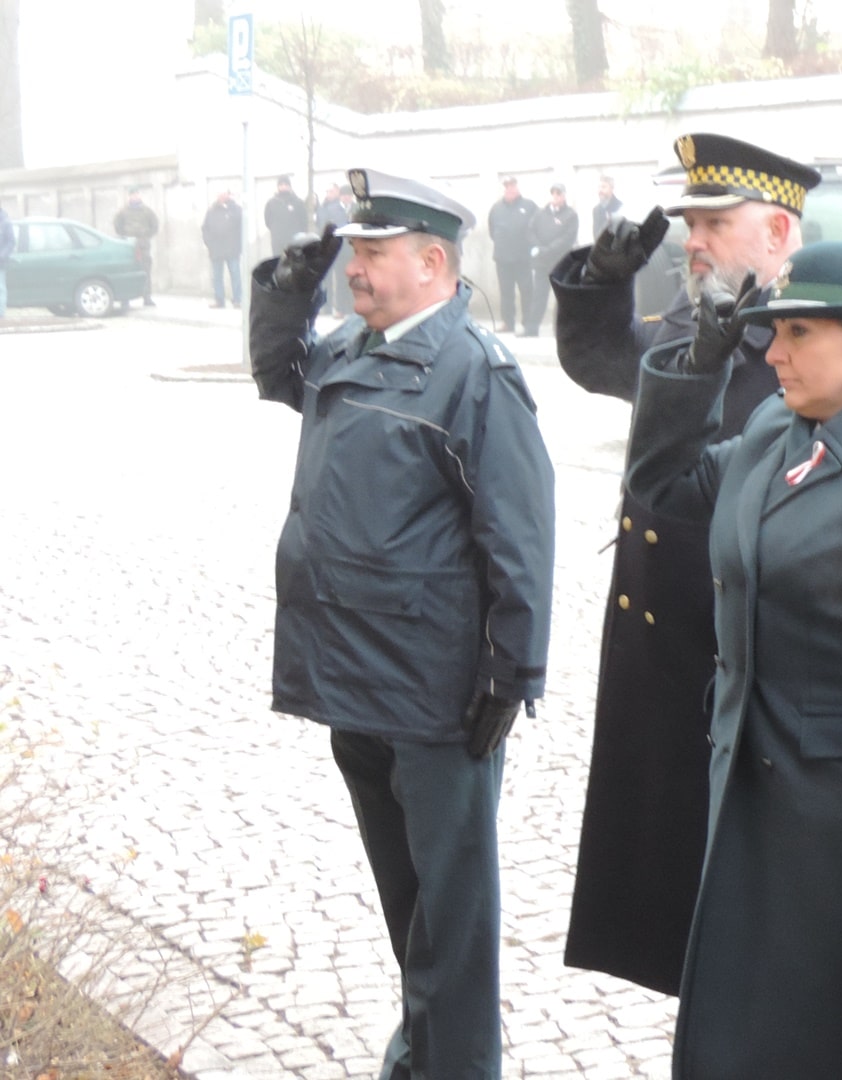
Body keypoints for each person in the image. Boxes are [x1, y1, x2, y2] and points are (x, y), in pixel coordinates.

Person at [626, 240, 842, 1080]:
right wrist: (697, 368)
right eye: (773, 332)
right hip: (752, 810)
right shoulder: (774, 431)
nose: (774, 353)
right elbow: (662, 485)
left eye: (799, 333)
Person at [247, 167, 556, 1080]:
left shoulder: (474, 373)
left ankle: (454, 1065)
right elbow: (276, 371)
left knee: (453, 920)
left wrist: (511, 672)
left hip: (435, 696)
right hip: (352, 680)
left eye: (373, 253)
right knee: (411, 908)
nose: (355, 268)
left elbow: (520, 532)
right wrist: (288, 288)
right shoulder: (348, 348)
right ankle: (423, 1054)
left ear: (432, 263)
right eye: (353, 252)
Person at [550, 132, 818, 997]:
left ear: (777, 232)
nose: (691, 241)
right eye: (688, 224)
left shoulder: (811, 332)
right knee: (666, 897)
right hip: (661, 646)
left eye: (713, 224)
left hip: (736, 652)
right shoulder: (696, 316)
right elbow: (602, 361)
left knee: (739, 916)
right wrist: (601, 282)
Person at [524, 182, 579, 337]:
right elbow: (530, 232)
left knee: (562, 297)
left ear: (564, 196)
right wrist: (539, 247)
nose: (555, 197)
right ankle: (532, 329)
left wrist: (547, 249)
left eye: (559, 194)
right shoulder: (540, 214)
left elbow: (567, 238)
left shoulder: (571, 215)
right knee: (538, 296)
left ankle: (561, 330)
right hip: (541, 263)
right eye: (553, 194)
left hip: (560, 263)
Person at [487, 177, 538, 334]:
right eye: (506, 186)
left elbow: (537, 227)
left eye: (512, 186)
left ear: (517, 187)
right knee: (506, 292)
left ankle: (528, 323)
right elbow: (492, 231)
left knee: (526, 291)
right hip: (502, 258)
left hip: (523, 258)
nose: (509, 189)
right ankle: (508, 322)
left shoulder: (529, 206)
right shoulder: (496, 208)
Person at [114, 188, 160, 307]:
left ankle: (147, 297)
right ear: (129, 196)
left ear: (139, 196)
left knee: (145, 271)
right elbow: (117, 226)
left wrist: (146, 236)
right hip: (128, 246)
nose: (134, 197)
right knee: (127, 271)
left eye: (136, 194)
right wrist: (125, 236)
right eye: (132, 195)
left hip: (143, 245)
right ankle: (125, 299)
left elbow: (155, 225)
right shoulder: (123, 211)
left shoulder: (147, 211)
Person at [315, 182, 353, 316]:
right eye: (344, 195)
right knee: (340, 279)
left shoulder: (356, 209)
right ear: (340, 196)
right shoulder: (332, 210)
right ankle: (340, 308)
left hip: (353, 250)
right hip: (339, 250)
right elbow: (326, 228)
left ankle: (351, 308)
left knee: (353, 279)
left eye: (349, 195)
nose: (346, 197)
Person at [202, 189, 244, 308]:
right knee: (217, 276)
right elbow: (205, 228)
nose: (222, 196)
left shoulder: (236, 209)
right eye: (220, 194)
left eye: (224, 193)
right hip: (216, 249)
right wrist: (209, 243)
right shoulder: (211, 210)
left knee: (235, 274)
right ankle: (219, 300)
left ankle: (237, 300)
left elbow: (242, 227)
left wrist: (239, 245)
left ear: (229, 195)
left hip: (232, 249)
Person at [265, 175, 309, 255]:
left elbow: (304, 221)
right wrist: (276, 231)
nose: (283, 187)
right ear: (278, 187)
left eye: (286, 184)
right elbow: (268, 221)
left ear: (290, 186)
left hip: (294, 241)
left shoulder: (298, 202)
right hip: (277, 242)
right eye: (281, 185)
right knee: (278, 261)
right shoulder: (271, 203)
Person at [0, 203, 12, 319]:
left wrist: (2, 256)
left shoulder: (5, 222)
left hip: (0, 262)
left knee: (0, 288)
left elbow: (11, 241)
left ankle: (0, 315)